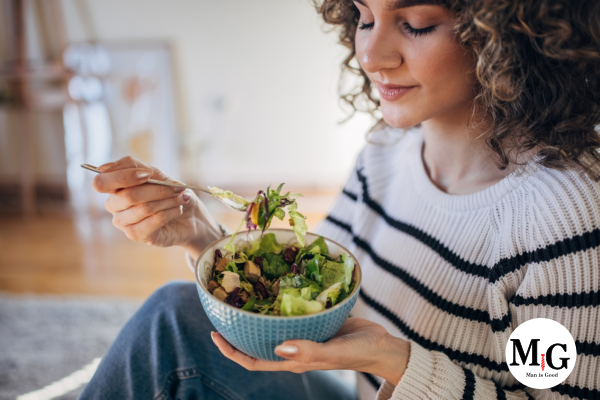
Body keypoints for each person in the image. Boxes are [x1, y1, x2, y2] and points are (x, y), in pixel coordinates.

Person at [80, 0, 600, 398]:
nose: (372, 54)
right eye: (363, 16)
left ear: (507, 35)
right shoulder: (386, 150)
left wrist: (396, 361)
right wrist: (203, 238)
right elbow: (313, 306)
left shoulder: (561, 215)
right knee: (173, 314)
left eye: (415, 23)